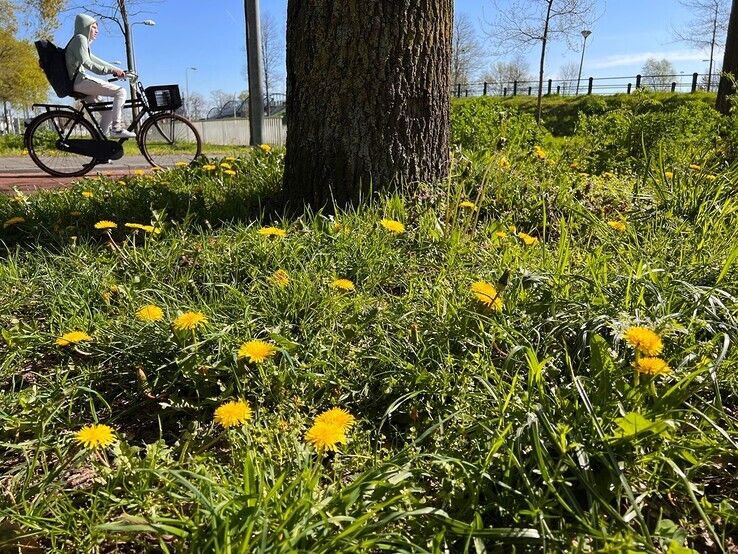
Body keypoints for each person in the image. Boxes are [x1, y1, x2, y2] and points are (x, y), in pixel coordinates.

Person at [65, 14, 135, 139]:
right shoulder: (80, 39)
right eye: (94, 27)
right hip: (80, 82)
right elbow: (88, 63)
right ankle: (116, 128)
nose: (97, 31)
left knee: (107, 113)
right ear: (85, 27)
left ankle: (101, 148)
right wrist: (111, 70)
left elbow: (95, 59)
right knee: (121, 92)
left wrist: (116, 69)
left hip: (78, 83)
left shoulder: (80, 41)